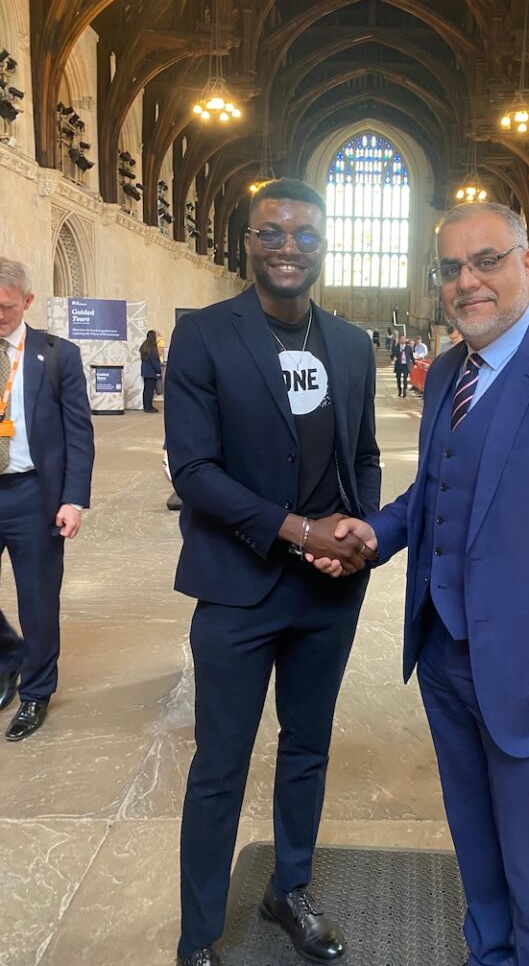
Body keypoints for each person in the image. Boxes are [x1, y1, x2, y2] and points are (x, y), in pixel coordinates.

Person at [309, 203, 529, 966]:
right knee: (475, 845)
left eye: (487, 261)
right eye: (451, 268)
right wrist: (375, 533)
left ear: (527, 265)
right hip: (444, 658)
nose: (467, 281)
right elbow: (435, 491)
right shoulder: (446, 374)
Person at [164, 178, 380, 966]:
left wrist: (353, 533)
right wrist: (297, 531)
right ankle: (198, 935)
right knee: (220, 763)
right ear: (249, 241)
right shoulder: (205, 336)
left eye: (305, 235)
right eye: (273, 232)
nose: (289, 247)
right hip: (237, 584)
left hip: (327, 591)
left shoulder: (351, 344)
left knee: (307, 747)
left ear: (324, 246)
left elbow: (364, 456)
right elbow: (194, 471)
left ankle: (288, 888)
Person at [0, 258, 94, 741]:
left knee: (37, 601)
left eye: (7, 306)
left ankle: (36, 692)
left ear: (28, 301)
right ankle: (8, 657)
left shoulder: (58, 355)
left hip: (33, 495)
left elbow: (79, 433)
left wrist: (73, 499)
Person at [139, 329, 163, 413]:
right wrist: (159, 370)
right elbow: (154, 362)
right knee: (150, 390)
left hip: (145, 371)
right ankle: (149, 407)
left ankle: (146, 406)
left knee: (146, 390)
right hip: (151, 372)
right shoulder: (152, 348)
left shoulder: (144, 346)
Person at [391, 332, 414, 397]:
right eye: (401, 339)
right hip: (398, 365)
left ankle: (404, 391)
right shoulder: (396, 347)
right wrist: (393, 357)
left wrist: (414, 363)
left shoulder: (408, 347)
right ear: (399, 340)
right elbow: (392, 355)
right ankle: (399, 390)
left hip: (405, 365)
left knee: (405, 378)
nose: (402, 340)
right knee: (398, 378)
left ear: (406, 340)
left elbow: (411, 356)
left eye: (404, 339)